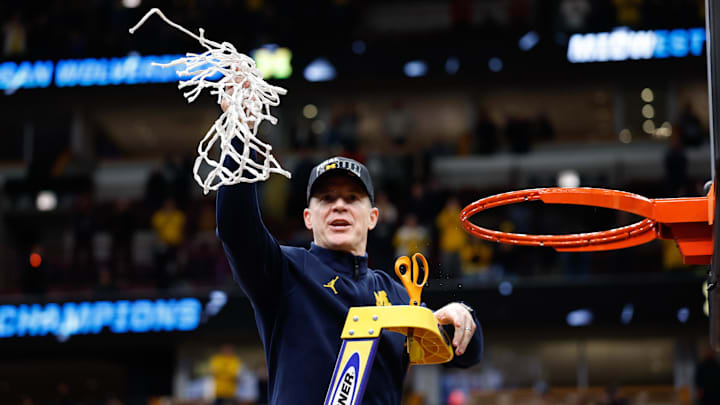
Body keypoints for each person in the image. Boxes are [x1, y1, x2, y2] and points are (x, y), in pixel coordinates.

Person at [217, 150, 483, 404]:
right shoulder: (285, 271)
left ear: (373, 217)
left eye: (353, 198)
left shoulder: (398, 296)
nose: (339, 206)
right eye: (326, 199)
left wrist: (462, 313)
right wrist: (243, 136)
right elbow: (235, 226)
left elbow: (465, 356)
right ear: (308, 218)